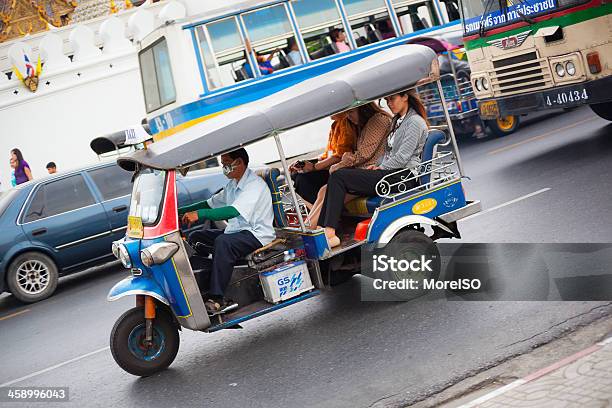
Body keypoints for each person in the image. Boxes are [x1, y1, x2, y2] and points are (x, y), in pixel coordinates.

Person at [318, 90, 429, 247]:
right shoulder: (397, 121)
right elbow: (388, 151)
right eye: (387, 100)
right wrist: (377, 165)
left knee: (339, 176)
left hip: (403, 177)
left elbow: (402, 158)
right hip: (389, 174)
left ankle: (329, 232)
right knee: (337, 177)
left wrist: (380, 167)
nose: (389, 104)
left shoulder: (415, 122)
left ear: (405, 97)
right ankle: (324, 229)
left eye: (392, 99)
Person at [179, 148, 275, 314]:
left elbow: (232, 211)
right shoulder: (233, 185)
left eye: (226, 164)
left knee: (223, 243)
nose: (224, 168)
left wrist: (199, 215)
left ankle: (217, 298)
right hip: (237, 232)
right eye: (222, 164)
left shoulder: (254, 186)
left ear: (239, 162)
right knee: (196, 236)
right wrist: (178, 210)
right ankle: (209, 280)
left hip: (257, 235)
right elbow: (209, 204)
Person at [306, 102, 392, 227]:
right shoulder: (364, 125)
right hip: (363, 172)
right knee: (323, 190)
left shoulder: (378, 120)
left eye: (351, 112)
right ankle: (308, 226)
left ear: (363, 109)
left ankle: (312, 230)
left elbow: (364, 154)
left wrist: (342, 162)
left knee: (332, 187)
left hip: (373, 175)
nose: (348, 116)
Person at [289, 112, 357, 206]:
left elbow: (340, 156)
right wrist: (304, 163)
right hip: (328, 167)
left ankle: (321, 211)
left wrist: (314, 167)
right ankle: (317, 210)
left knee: (302, 178)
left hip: (338, 170)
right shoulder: (335, 125)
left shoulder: (345, 124)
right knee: (295, 175)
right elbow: (328, 153)